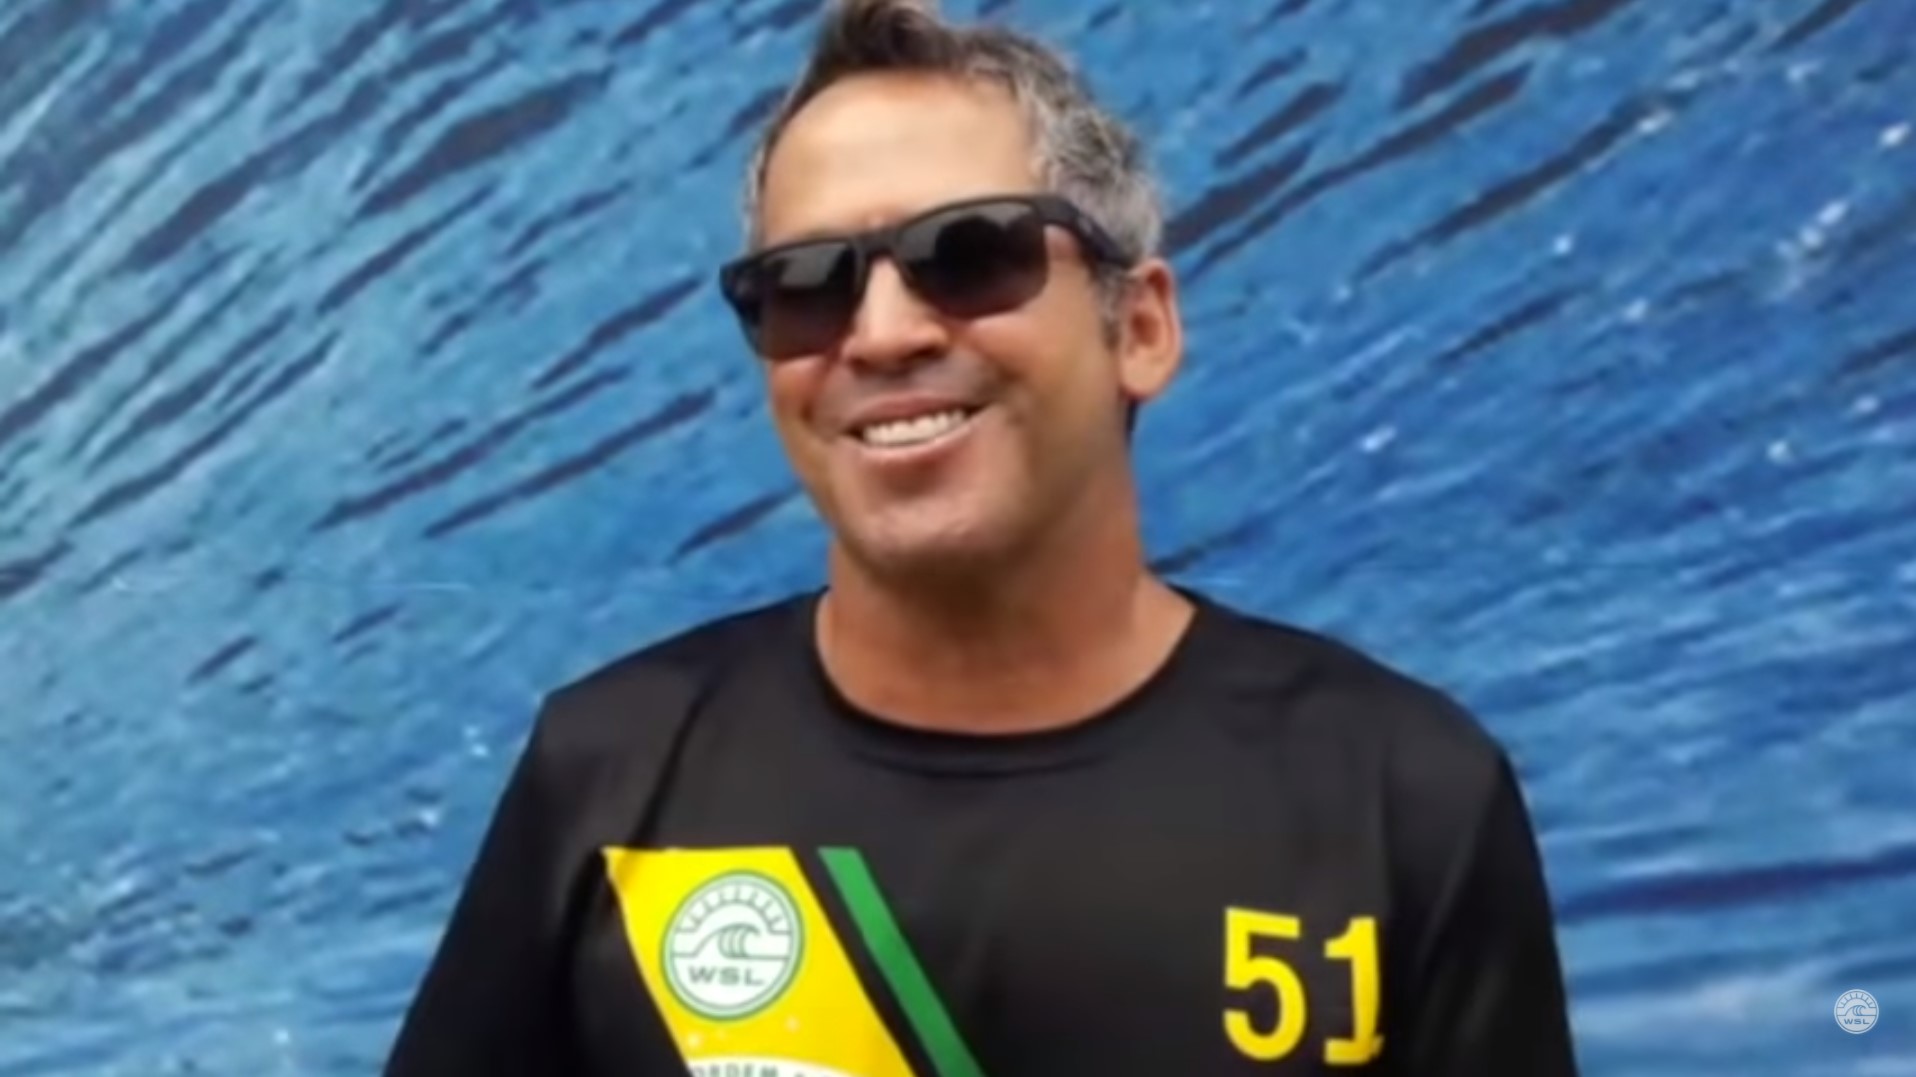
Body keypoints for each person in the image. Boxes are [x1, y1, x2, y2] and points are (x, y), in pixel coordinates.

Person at [383, 1, 1580, 1073]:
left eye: (968, 254)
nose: (881, 333)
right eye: (807, 284)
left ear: (1140, 328)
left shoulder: (1399, 797)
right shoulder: (611, 774)